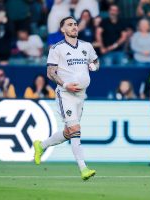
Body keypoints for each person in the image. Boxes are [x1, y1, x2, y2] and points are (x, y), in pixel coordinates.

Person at [33, 16, 99, 180]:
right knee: (76, 130)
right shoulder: (57, 48)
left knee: (70, 132)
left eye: (75, 24)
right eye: (70, 25)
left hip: (81, 95)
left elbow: (96, 62)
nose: (74, 27)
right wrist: (65, 85)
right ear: (62, 29)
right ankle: (83, 169)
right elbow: (50, 73)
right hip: (65, 94)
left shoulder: (87, 46)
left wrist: (94, 66)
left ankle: (41, 145)